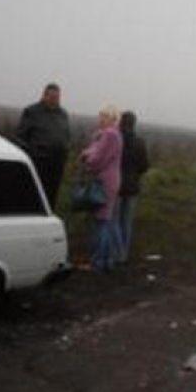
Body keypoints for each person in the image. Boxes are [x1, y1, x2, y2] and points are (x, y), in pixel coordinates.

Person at [79, 106, 123, 272]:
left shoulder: (110, 134)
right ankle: (106, 261)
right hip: (110, 180)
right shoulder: (113, 135)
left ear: (113, 119)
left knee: (101, 221)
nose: (101, 120)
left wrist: (85, 158)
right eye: (101, 116)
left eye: (105, 117)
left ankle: (98, 263)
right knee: (105, 221)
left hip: (104, 181)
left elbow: (97, 158)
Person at [16, 83, 71, 209]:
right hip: (39, 160)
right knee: (37, 194)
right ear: (44, 96)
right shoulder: (32, 111)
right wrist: (32, 153)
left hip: (57, 162)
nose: (54, 100)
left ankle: (49, 215)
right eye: (52, 97)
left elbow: (66, 135)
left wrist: (66, 151)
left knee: (52, 195)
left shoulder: (63, 114)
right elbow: (20, 136)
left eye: (57, 97)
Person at [115, 111, 150, 264]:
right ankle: (124, 254)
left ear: (122, 122)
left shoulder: (116, 139)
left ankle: (116, 253)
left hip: (116, 186)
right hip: (133, 186)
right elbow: (145, 165)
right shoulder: (140, 142)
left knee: (114, 220)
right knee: (126, 222)